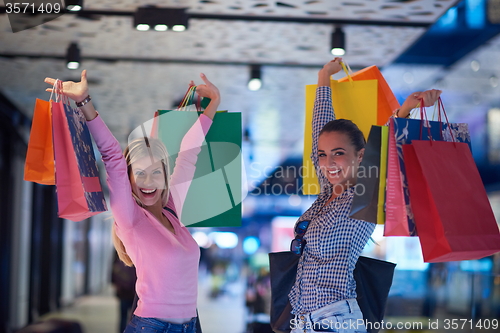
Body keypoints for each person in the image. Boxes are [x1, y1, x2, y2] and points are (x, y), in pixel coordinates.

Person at [45, 70, 220, 333]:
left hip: (190, 326)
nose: (148, 182)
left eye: (155, 173)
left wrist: (213, 105)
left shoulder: (172, 209)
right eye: (139, 173)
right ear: (128, 179)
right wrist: (84, 102)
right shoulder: (130, 218)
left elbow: (189, 152)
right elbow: (112, 156)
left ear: (165, 176)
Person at [288, 58, 441, 333]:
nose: (328, 162)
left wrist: (406, 110)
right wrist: (324, 77)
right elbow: (318, 131)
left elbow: (383, 152)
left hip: (334, 320)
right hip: (307, 321)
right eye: (323, 155)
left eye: (339, 154)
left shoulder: (362, 197)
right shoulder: (328, 192)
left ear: (360, 156)